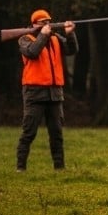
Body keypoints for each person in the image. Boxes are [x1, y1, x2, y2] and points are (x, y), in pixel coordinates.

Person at [16, 9, 78, 171]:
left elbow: (72, 50)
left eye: (48, 22)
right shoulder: (25, 38)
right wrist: (43, 35)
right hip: (34, 93)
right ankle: (20, 167)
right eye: (43, 22)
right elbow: (32, 52)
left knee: (56, 133)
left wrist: (70, 34)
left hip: (55, 93)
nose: (47, 25)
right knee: (29, 132)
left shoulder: (56, 38)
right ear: (34, 24)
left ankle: (60, 168)